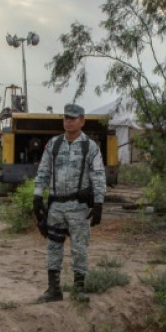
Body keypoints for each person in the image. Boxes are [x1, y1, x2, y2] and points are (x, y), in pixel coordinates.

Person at [32, 103, 106, 304]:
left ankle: (79, 289)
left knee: (79, 247)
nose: (69, 122)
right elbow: (43, 171)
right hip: (56, 206)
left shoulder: (89, 147)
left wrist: (98, 203)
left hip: (78, 207)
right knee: (53, 246)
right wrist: (37, 197)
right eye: (66, 118)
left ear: (82, 121)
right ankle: (53, 289)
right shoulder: (53, 144)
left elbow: (98, 175)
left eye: (73, 118)